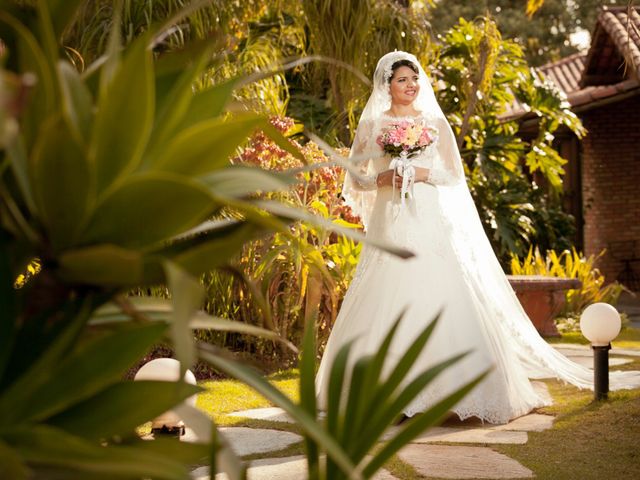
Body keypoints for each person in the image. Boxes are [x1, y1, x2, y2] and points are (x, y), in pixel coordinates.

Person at [314, 51, 640, 424]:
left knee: (441, 288)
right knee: (385, 290)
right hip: (391, 216)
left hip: (427, 217)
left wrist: (419, 174)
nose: (411, 86)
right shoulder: (373, 124)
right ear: (386, 85)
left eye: (414, 79)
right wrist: (382, 179)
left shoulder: (432, 121)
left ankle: (453, 392)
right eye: (402, 80)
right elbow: (355, 177)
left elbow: (452, 175)